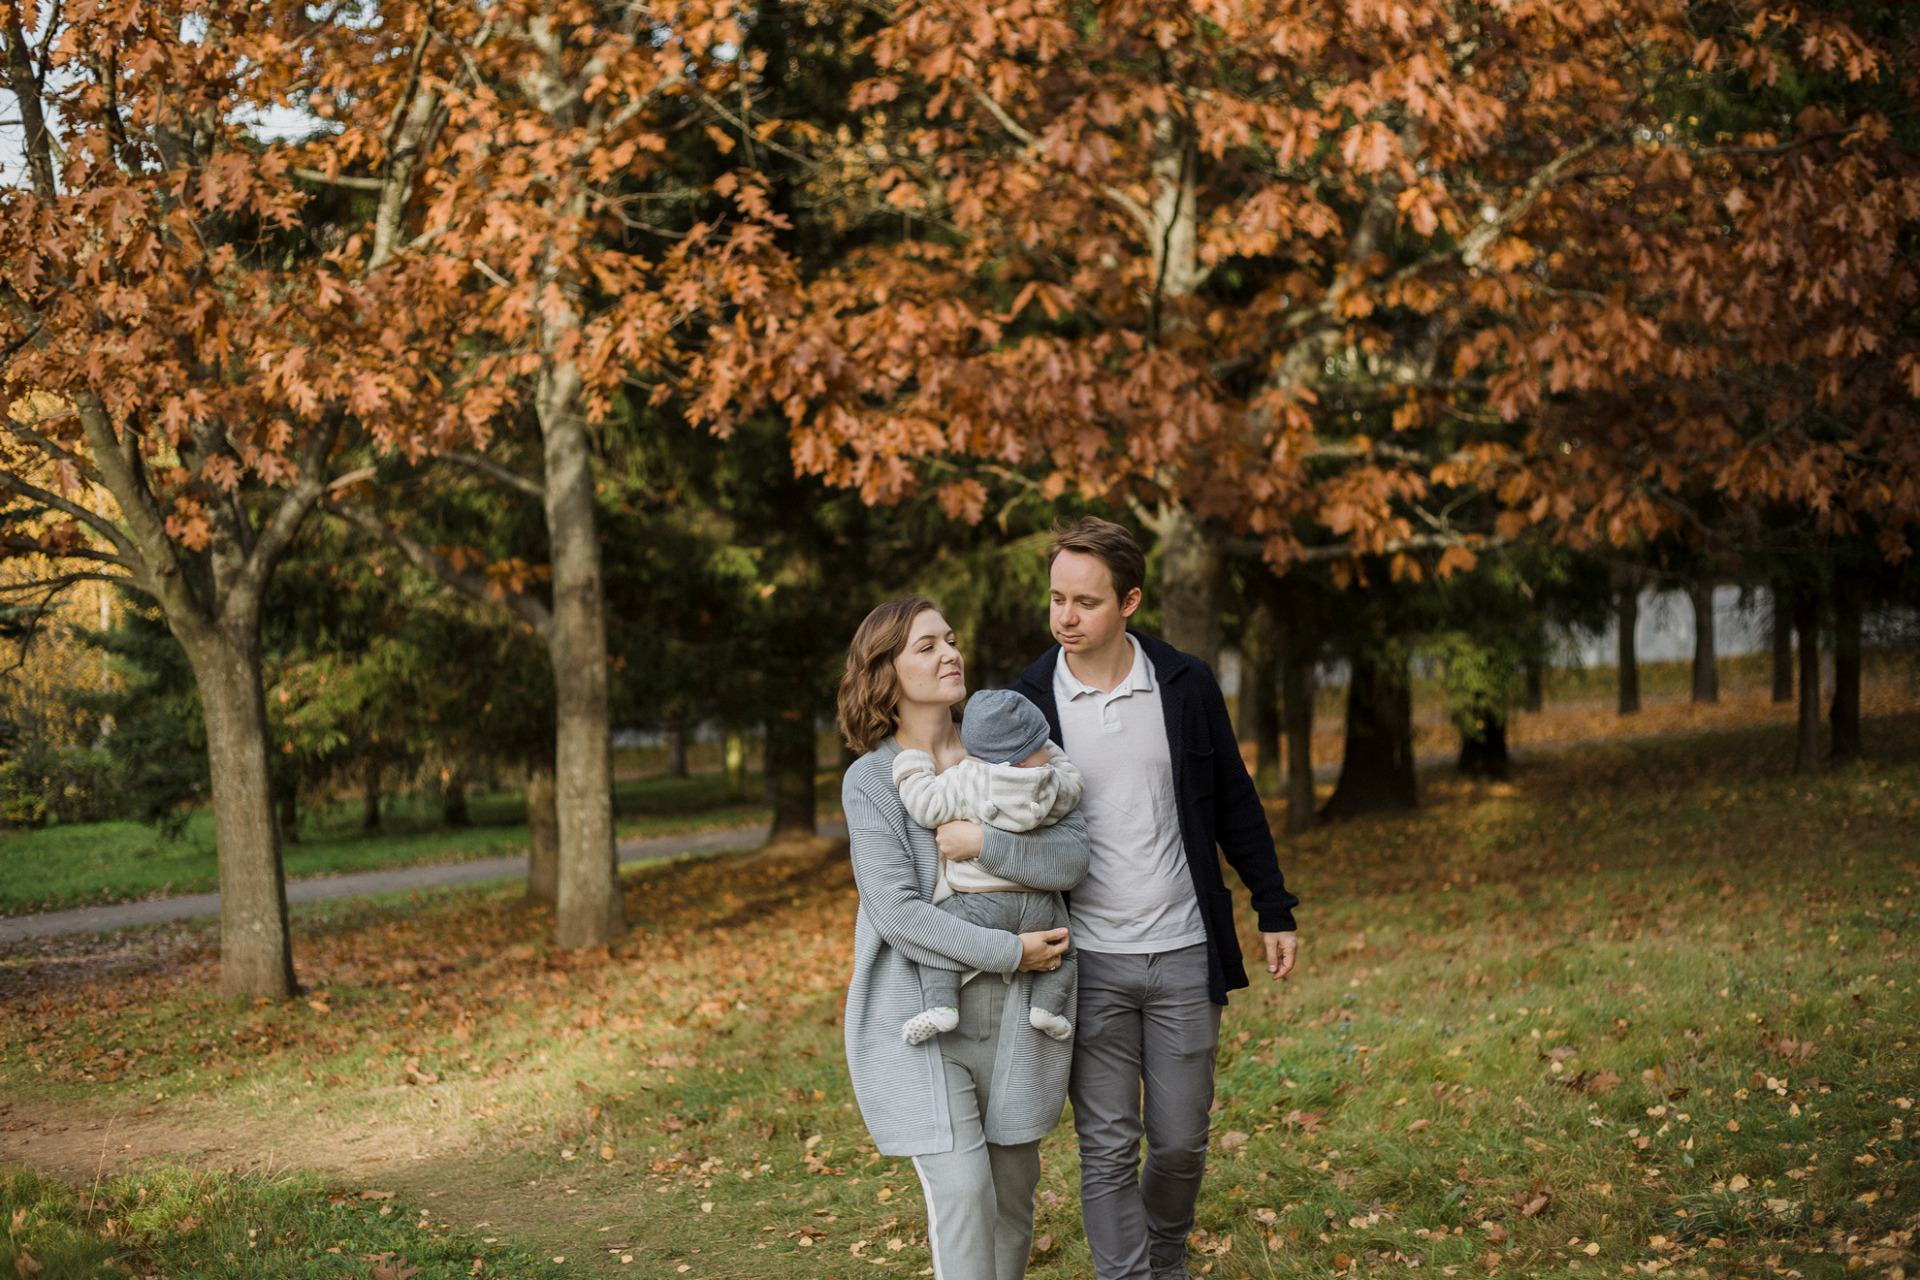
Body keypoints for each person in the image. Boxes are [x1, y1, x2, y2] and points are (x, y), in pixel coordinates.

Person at [1004, 517, 1303, 1280]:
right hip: (1083, 960)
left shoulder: (1183, 683)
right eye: (1056, 600)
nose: (1066, 619)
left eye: (1087, 603)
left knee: (1178, 1141)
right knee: (1106, 1145)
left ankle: (1162, 1257)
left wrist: (1273, 907)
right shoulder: (1027, 701)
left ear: (1130, 601)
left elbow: (1233, 800)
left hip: (1182, 950)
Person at [839, 597, 1091, 1280]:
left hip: (1022, 1017)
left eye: (950, 639)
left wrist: (987, 843)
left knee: (1012, 1196)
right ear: (884, 673)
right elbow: (896, 912)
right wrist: (1011, 952)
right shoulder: (871, 781)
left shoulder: (1014, 744)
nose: (950, 653)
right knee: (963, 1191)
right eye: (926, 646)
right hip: (923, 1013)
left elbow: (1071, 859)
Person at [893, 687, 1085, 1045]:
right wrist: (1052, 753)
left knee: (939, 941)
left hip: (977, 903)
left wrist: (912, 763)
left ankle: (942, 1006)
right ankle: (1047, 1008)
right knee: (1066, 949)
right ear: (1031, 752)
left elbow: (925, 806)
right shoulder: (1050, 783)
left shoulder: (964, 779)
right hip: (1039, 908)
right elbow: (1074, 783)